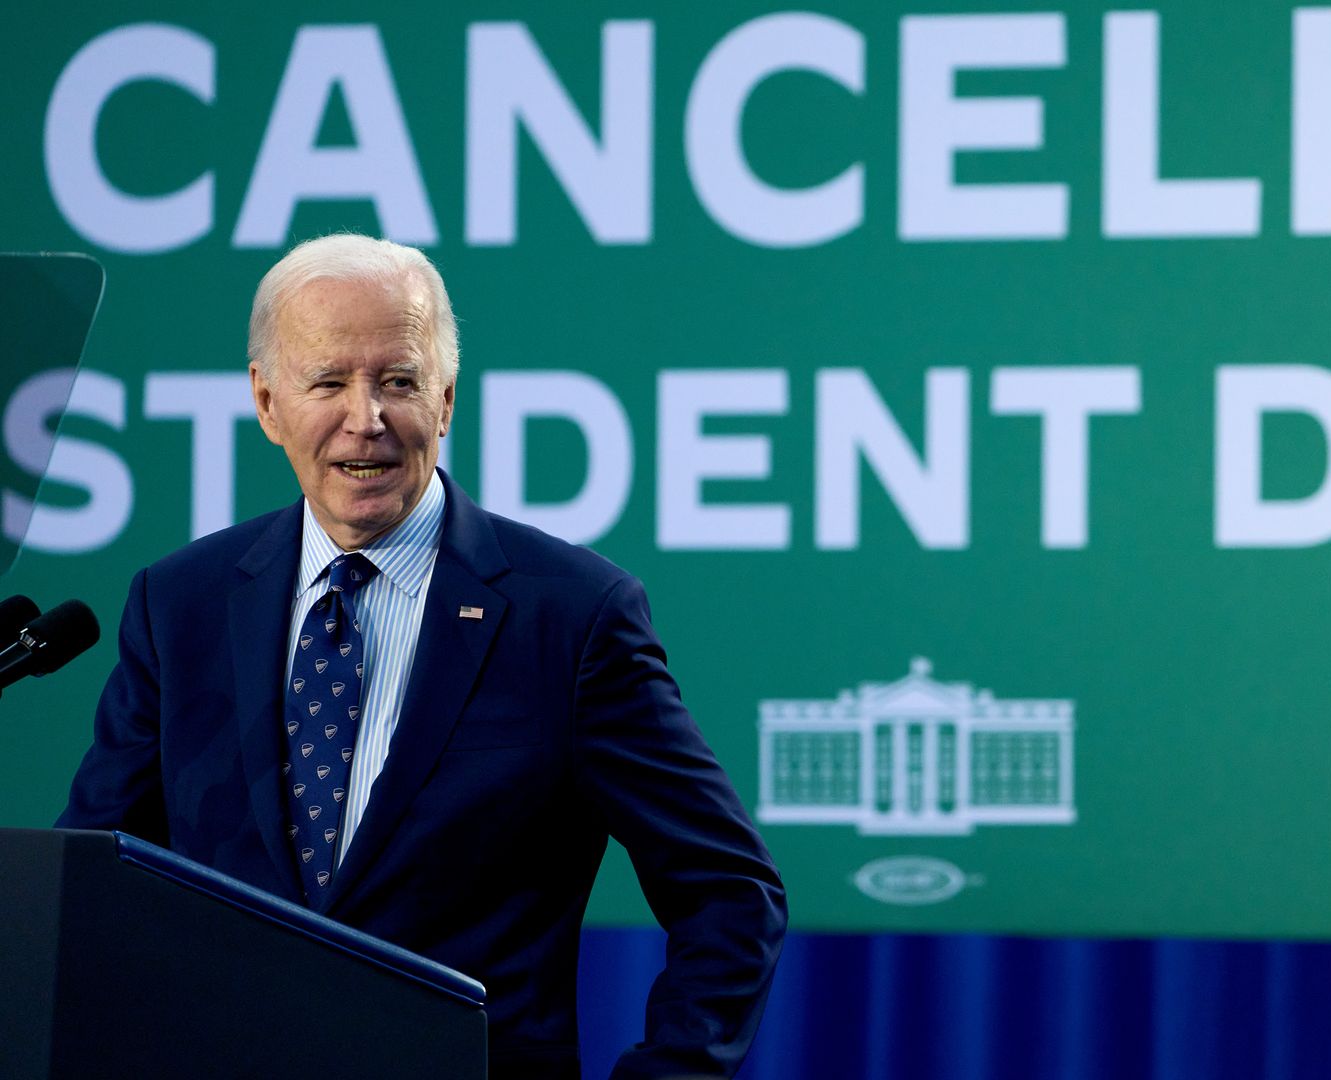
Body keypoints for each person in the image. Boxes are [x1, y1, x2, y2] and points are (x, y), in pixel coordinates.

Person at [56, 233, 786, 1080]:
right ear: (266, 402)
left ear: (444, 401)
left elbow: (731, 893)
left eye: (398, 382)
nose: (365, 418)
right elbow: (86, 889)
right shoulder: (180, 605)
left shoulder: (571, 616)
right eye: (327, 382)